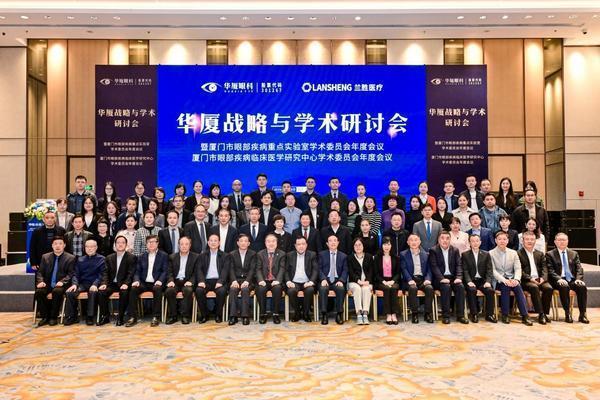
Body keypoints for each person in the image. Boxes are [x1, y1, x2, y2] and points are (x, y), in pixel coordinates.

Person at [489, 231, 533, 325]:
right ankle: (505, 315)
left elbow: (518, 268)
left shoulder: (513, 253)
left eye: (504, 239)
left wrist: (516, 279)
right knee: (505, 286)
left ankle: (525, 316)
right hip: (499, 280)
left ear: (507, 241)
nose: (502, 241)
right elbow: (493, 271)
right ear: (496, 241)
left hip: (512, 278)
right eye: (500, 239)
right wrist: (504, 280)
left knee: (518, 287)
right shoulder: (491, 253)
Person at [125, 235, 168, 327]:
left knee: (157, 289)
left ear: (157, 243)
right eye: (149, 242)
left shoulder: (164, 255)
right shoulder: (141, 256)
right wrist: (136, 280)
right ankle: (132, 317)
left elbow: (165, 271)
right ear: (146, 244)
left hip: (156, 282)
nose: (151, 244)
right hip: (144, 282)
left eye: (153, 242)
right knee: (133, 289)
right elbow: (137, 271)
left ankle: (155, 317)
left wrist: (160, 280)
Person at [546, 232, 589, 323]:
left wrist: (578, 279)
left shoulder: (574, 253)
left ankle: (582, 314)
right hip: (558, 280)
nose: (562, 242)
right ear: (555, 242)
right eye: (559, 240)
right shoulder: (550, 254)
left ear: (567, 241)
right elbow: (550, 270)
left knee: (582, 287)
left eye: (564, 240)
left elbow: (579, 268)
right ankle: (567, 314)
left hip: (571, 279)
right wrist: (559, 279)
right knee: (564, 286)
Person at [34, 236, 76, 327]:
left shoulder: (71, 258)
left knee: (57, 291)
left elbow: (71, 274)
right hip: (48, 283)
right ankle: (45, 317)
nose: (58, 246)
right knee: (39, 292)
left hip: (61, 285)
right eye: (55, 244)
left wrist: (63, 281)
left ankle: (53, 317)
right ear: (52, 245)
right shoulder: (45, 257)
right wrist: (40, 281)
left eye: (60, 244)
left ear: (64, 245)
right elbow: (40, 272)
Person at [429, 231, 468, 324]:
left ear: (450, 240)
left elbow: (459, 265)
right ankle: (446, 316)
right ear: (438, 240)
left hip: (453, 278)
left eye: (447, 238)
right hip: (439, 279)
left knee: (460, 287)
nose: (445, 240)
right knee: (446, 287)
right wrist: (441, 278)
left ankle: (460, 316)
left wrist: (459, 277)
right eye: (442, 238)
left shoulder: (455, 250)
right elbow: (434, 267)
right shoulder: (433, 250)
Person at [64, 239, 105, 326]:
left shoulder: (102, 259)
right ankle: (72, 316)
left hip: (94, 283)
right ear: (84, 248)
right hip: (82, 284)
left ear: (96, 247)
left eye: (92, 247)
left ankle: (90, 316)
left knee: (92, 292)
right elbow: (75, 274)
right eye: (87, 247)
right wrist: (74, 284)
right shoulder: (80, 259)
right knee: (70, 292)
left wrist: (95, 284)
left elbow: (102, 275)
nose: (89, 249)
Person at [97, 234, 136, 326]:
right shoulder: (109, 257)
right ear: (115, 245)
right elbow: (105, 272)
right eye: (118, 243)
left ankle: (121, 317)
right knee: (101, 292)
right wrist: (104, 283)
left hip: (124, 283)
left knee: (124, 292)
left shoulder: (131, 257)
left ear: (126, 245)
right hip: (112, 284)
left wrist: (126, 283)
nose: (120, 244)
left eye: (123, 243)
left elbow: (131, 273)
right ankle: (105, 316)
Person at [517, 231, 553, 325]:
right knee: (534, 287)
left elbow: (545, 268)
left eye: (532, 239)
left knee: (548, 288)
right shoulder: (518, 254)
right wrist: (530, 278)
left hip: (539, 279)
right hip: (526, 280)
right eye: (527, 239)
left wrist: (543, 278)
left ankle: (545, 313)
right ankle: (540, 314)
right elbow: (519, 270)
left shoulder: (540, 254)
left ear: (535, 241)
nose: (530, 241)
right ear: (523, 241)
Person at [462, 234, 497, 323]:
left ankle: (489, 315)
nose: (475, 243)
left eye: (477, 241)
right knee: (472, 290)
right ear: (469, 243)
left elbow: (489, 270)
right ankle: (474, 314)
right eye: (473, 241)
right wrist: (468, 281)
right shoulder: (465, 255)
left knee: (490, 291)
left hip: (482, 280)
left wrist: (488, 281)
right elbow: (465, 270)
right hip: (471, 280)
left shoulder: (486, 254)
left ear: (480, 242)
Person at [165, 236, 199, 325]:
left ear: (190, 245)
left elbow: (196, 272)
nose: (184, 246)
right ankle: (173, 316)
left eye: (186, 244)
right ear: (179, 245)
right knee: (169, 291)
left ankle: (185, 316)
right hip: (175, 281)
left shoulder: (195, 257)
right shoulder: (172, 257)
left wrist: (191, 281)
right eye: (182, 244)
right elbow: (169, 272)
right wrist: (170, 280)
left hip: (187, 281)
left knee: (188, 290)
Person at [400, 234, 434, 323]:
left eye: (416, 240)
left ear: (419, 242)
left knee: (429, 288)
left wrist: (428, 279)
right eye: (411, 240)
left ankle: (427, 313)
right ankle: (414, 314)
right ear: (408, 242)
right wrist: (409, 280)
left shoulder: (426, 254)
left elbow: (429, 269)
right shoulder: (403, 254)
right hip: (410, 279)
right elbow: (403, 269)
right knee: (413, 288)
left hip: (422, 280)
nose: (414, 242)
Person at [285, 236, 319, 322]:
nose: (301, 246)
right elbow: (286, 270)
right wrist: (288, 281)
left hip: (307, 282)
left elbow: (315, 269)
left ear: (306, 245)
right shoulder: (289, 255)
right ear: (295, 246)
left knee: (310, 290)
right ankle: (297, 312)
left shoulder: (312, 255)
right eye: (298, 244)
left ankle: (306, 313)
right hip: (294, 282)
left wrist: (311, 281)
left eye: (303, 244)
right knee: (291, 291)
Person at [255, 234, 286, 324]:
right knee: (260, 289)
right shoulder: (260, 254)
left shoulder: (282, 254)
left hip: (276, 280)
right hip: (264, 280)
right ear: (265, 243)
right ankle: (263, 313)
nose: (271, 243)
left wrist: (278, 280)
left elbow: (282, 268)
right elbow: (258, 269)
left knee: (277, 288)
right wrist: (261, 280)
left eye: (273, 241)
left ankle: (276, 314)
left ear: (276, 243)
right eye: (268, 241)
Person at [226, 234, 256, 325]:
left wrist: (247, 281)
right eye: (241, 241)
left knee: (245, 289)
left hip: (248, 280)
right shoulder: (232, 254)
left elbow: (252, 269)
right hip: (236, 279)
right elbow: (230, 269)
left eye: (245, 241)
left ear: (249, 243)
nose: (243, 243)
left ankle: (245, 316)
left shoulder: (253, 254)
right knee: (233, 289)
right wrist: (234, 280)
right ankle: (233, 316)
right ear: (238, 243)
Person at [318, 235, 348, 325]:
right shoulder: (322, 254)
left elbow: (345, 270)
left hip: (337, 280)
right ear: (327, 244)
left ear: (338, 243)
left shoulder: (343, 256)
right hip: (325, 279)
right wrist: (323, 279)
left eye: (335, 240)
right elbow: (318, 269)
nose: (333, 242)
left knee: (341, 289)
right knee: (323, 289)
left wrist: (341, 280)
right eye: (330, 241)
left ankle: (339, 314)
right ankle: (324, 314)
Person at [374, 237, 401, 325]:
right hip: (381, 281)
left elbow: (398, 273)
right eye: (385, 244)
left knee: (393, 288)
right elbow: (376, 274)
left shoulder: (396, 257)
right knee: (386, 288)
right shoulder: (377, 258)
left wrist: (392, 281)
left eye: (388, 244)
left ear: (391, 246)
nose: (386, 246)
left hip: (393, 281)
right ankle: (388, 314)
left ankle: (394, 314)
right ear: (381, 246)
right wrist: (384, 281)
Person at [347, 237, 374, 325]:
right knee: (357, 288)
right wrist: (358, 281)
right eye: (356, 245)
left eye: (360, 245)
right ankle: (359, 313)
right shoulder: (350, 258)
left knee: (366, 289)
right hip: (354, 282)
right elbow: (350, 272)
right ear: (353, 247)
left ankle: (365, 313)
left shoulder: (369, 257)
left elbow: (371, 271)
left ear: (363, 246)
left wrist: (368, 281)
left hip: (367, 282)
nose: (358, 247)